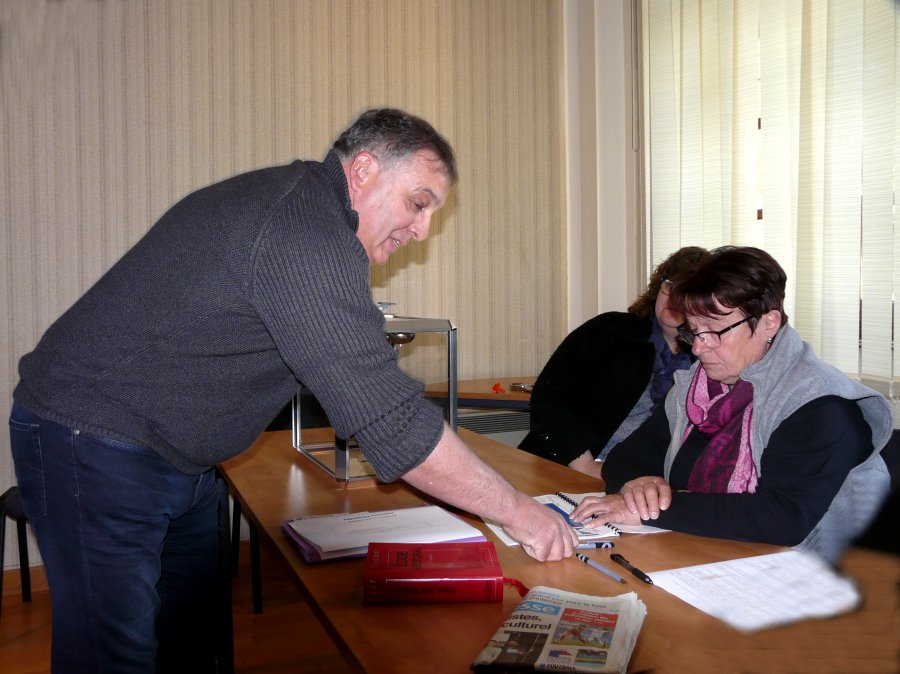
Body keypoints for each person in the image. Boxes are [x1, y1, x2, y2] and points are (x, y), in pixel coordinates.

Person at [8, 108, 578, 673]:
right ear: (364, 170)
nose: (422, 230)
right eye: (418, 203)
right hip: (95, 439)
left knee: (191, 639)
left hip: (175, 455)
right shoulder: (303, 231)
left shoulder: (308, 214)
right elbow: (389, 418)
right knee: (114, 655)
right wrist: (521, 512)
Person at [570, 246, 893, 562]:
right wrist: (638, 484)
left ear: (768, 323)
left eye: (714, 331)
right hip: (709, 552)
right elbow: (628, 456)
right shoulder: (698, 387)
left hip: (816, 571)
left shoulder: (821, 404)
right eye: (693, 331)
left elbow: (782, 518)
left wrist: (652, 509)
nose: (698, 348)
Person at [519, 246, 710, 477]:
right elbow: (551, 398)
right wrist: (586, 465)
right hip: (568, 466)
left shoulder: (710, 357)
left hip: (647, 478)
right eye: (670, 286)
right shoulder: (609, 331)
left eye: (686, 292)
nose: (673, 299)